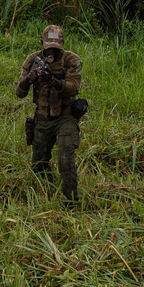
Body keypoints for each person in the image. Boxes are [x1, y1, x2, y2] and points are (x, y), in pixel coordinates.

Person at [16, 25, 84, 202]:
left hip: (65, 116)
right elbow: (19, 93)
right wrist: (29, 79)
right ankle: (42, 195)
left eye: (56, 47)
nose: (52, 51)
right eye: (48, 48)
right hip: (43, 117)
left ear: (62, 44)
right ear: (42, 44)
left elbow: (73, 87)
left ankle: (71, 201)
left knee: (65, 159)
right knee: (38, 165)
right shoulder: (33, 60)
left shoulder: (72, 60)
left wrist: (52, 81)